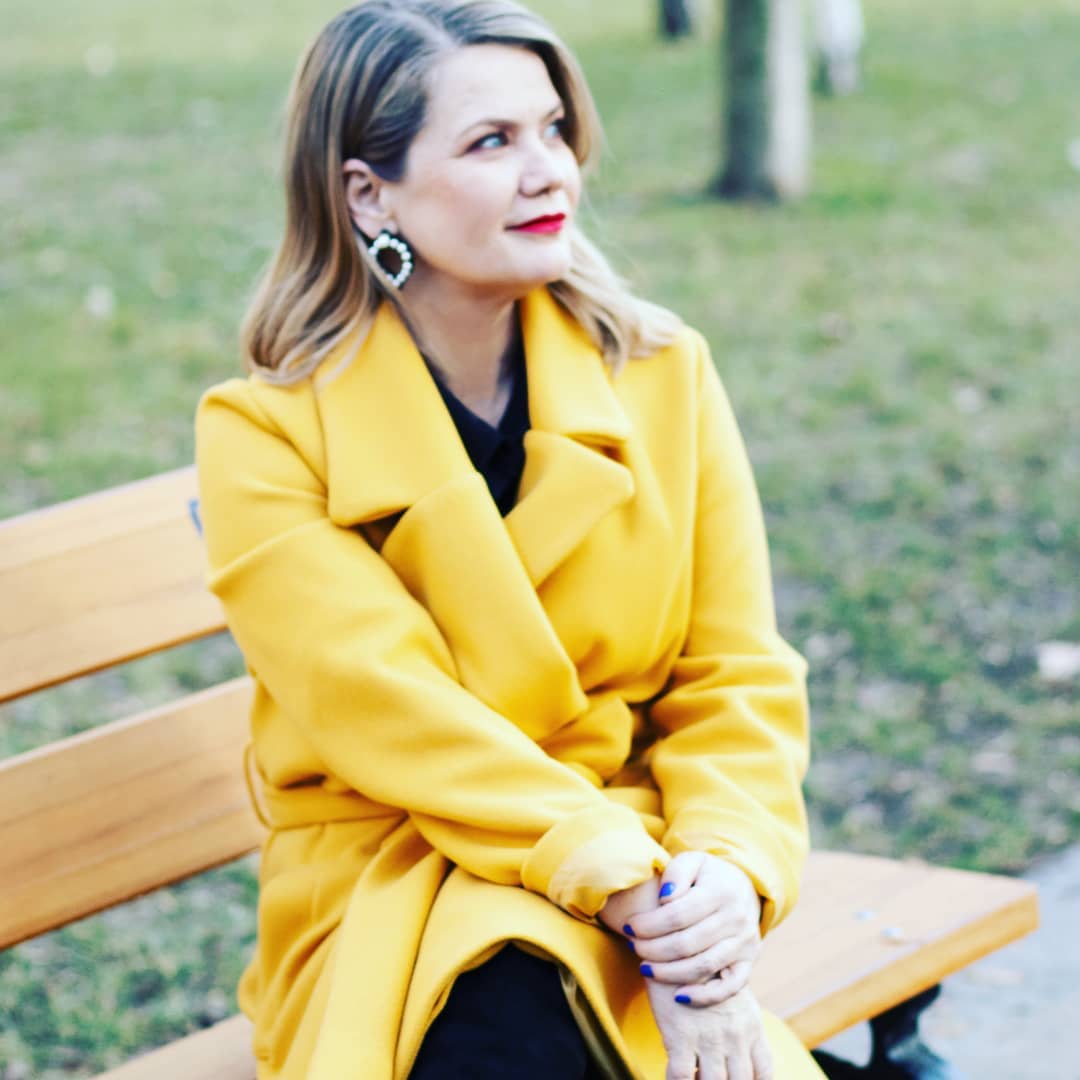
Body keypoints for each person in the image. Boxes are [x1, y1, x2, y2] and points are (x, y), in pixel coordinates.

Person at [194, 2, 824, 1077]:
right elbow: (400, 721)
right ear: (368, 193)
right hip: (395, 879)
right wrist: (640, 904)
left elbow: (735, 676)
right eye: (492, 142)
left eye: (554, 129)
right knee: (518, 1027)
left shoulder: (661, 373)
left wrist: (724, 866)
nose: (550, 173)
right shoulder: (266, 435)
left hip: (646, 858)